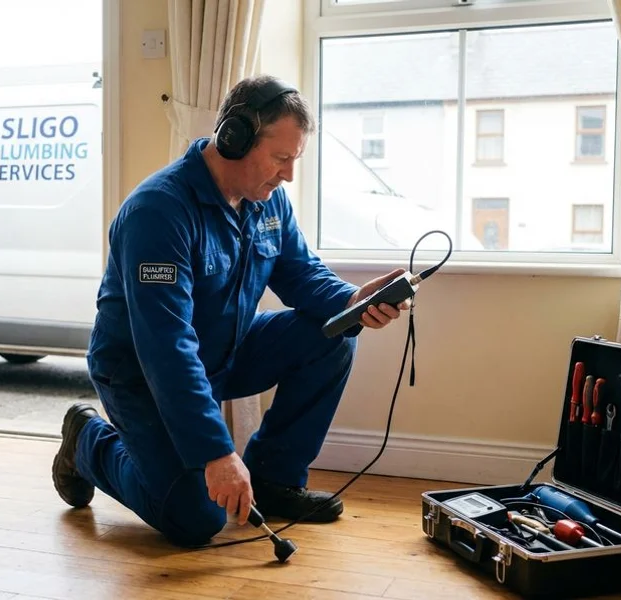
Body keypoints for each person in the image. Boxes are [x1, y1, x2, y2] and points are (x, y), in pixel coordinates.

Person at [51, 74, 410, 548]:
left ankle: (274, 480)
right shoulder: (158, 213)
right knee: (195, 518)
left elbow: (301, 274)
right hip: (140, 375)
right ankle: (87, 440)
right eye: (281, 158)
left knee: (331, 336)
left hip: (224, 352)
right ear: (234, 138)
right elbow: (167, 349)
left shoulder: (268, 201)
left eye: (294, 160)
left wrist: (351, 301)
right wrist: (217, 452)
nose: (288, 175)